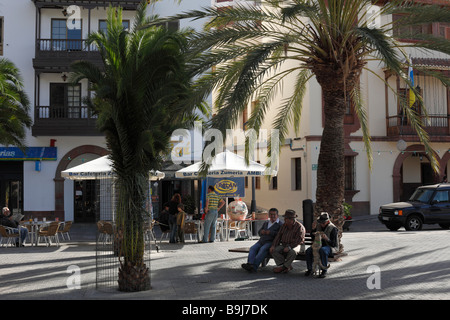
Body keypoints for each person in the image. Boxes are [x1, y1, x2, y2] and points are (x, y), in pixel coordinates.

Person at [242, 208, 282, 273]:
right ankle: (250, 264)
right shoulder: (266, 223)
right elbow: (259, 232)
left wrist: (270, 233)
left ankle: (254, 267)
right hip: (261, 241)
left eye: (274, 214)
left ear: (277, 215)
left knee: (263, 249)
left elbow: (280, 235)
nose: (272, 216)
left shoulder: (280, 224)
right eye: (271, 214)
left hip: (271, 242)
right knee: (252, 248)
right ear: (269, 215)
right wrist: (262, 232)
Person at [269, 209, 305, 273]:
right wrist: (273, 245)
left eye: (286, 218)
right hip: (285, 244)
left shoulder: (299, 227)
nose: (285, 220)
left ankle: (283, 268)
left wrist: (289, 247)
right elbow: (278, 236)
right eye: (285, 218)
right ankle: (286, 265)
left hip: (297, 245)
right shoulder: (284, 226)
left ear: (292, 219)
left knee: (292, 252)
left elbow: (299, 240)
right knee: (274, 250)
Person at [304, 212, 339, 278]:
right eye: (320, 222)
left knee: (323, 250)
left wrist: (326, 238)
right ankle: (310, 269)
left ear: (328, 221)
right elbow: (313, 237)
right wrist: (313, 229)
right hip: (318, 245)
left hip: (329, 246)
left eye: (323, 223)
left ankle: (324, 270)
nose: (322, 224)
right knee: (308, 251)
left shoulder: (333, 228)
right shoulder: (319, 226)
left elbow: (333, 244)